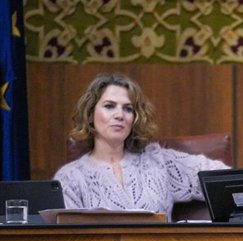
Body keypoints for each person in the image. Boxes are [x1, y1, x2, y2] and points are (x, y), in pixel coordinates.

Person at [54, 73, 228, 219]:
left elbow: (224, 179)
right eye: (109, 106)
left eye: (128, 109)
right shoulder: (70, 177)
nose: (120, 115)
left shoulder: (158, 161)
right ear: (90, 114)